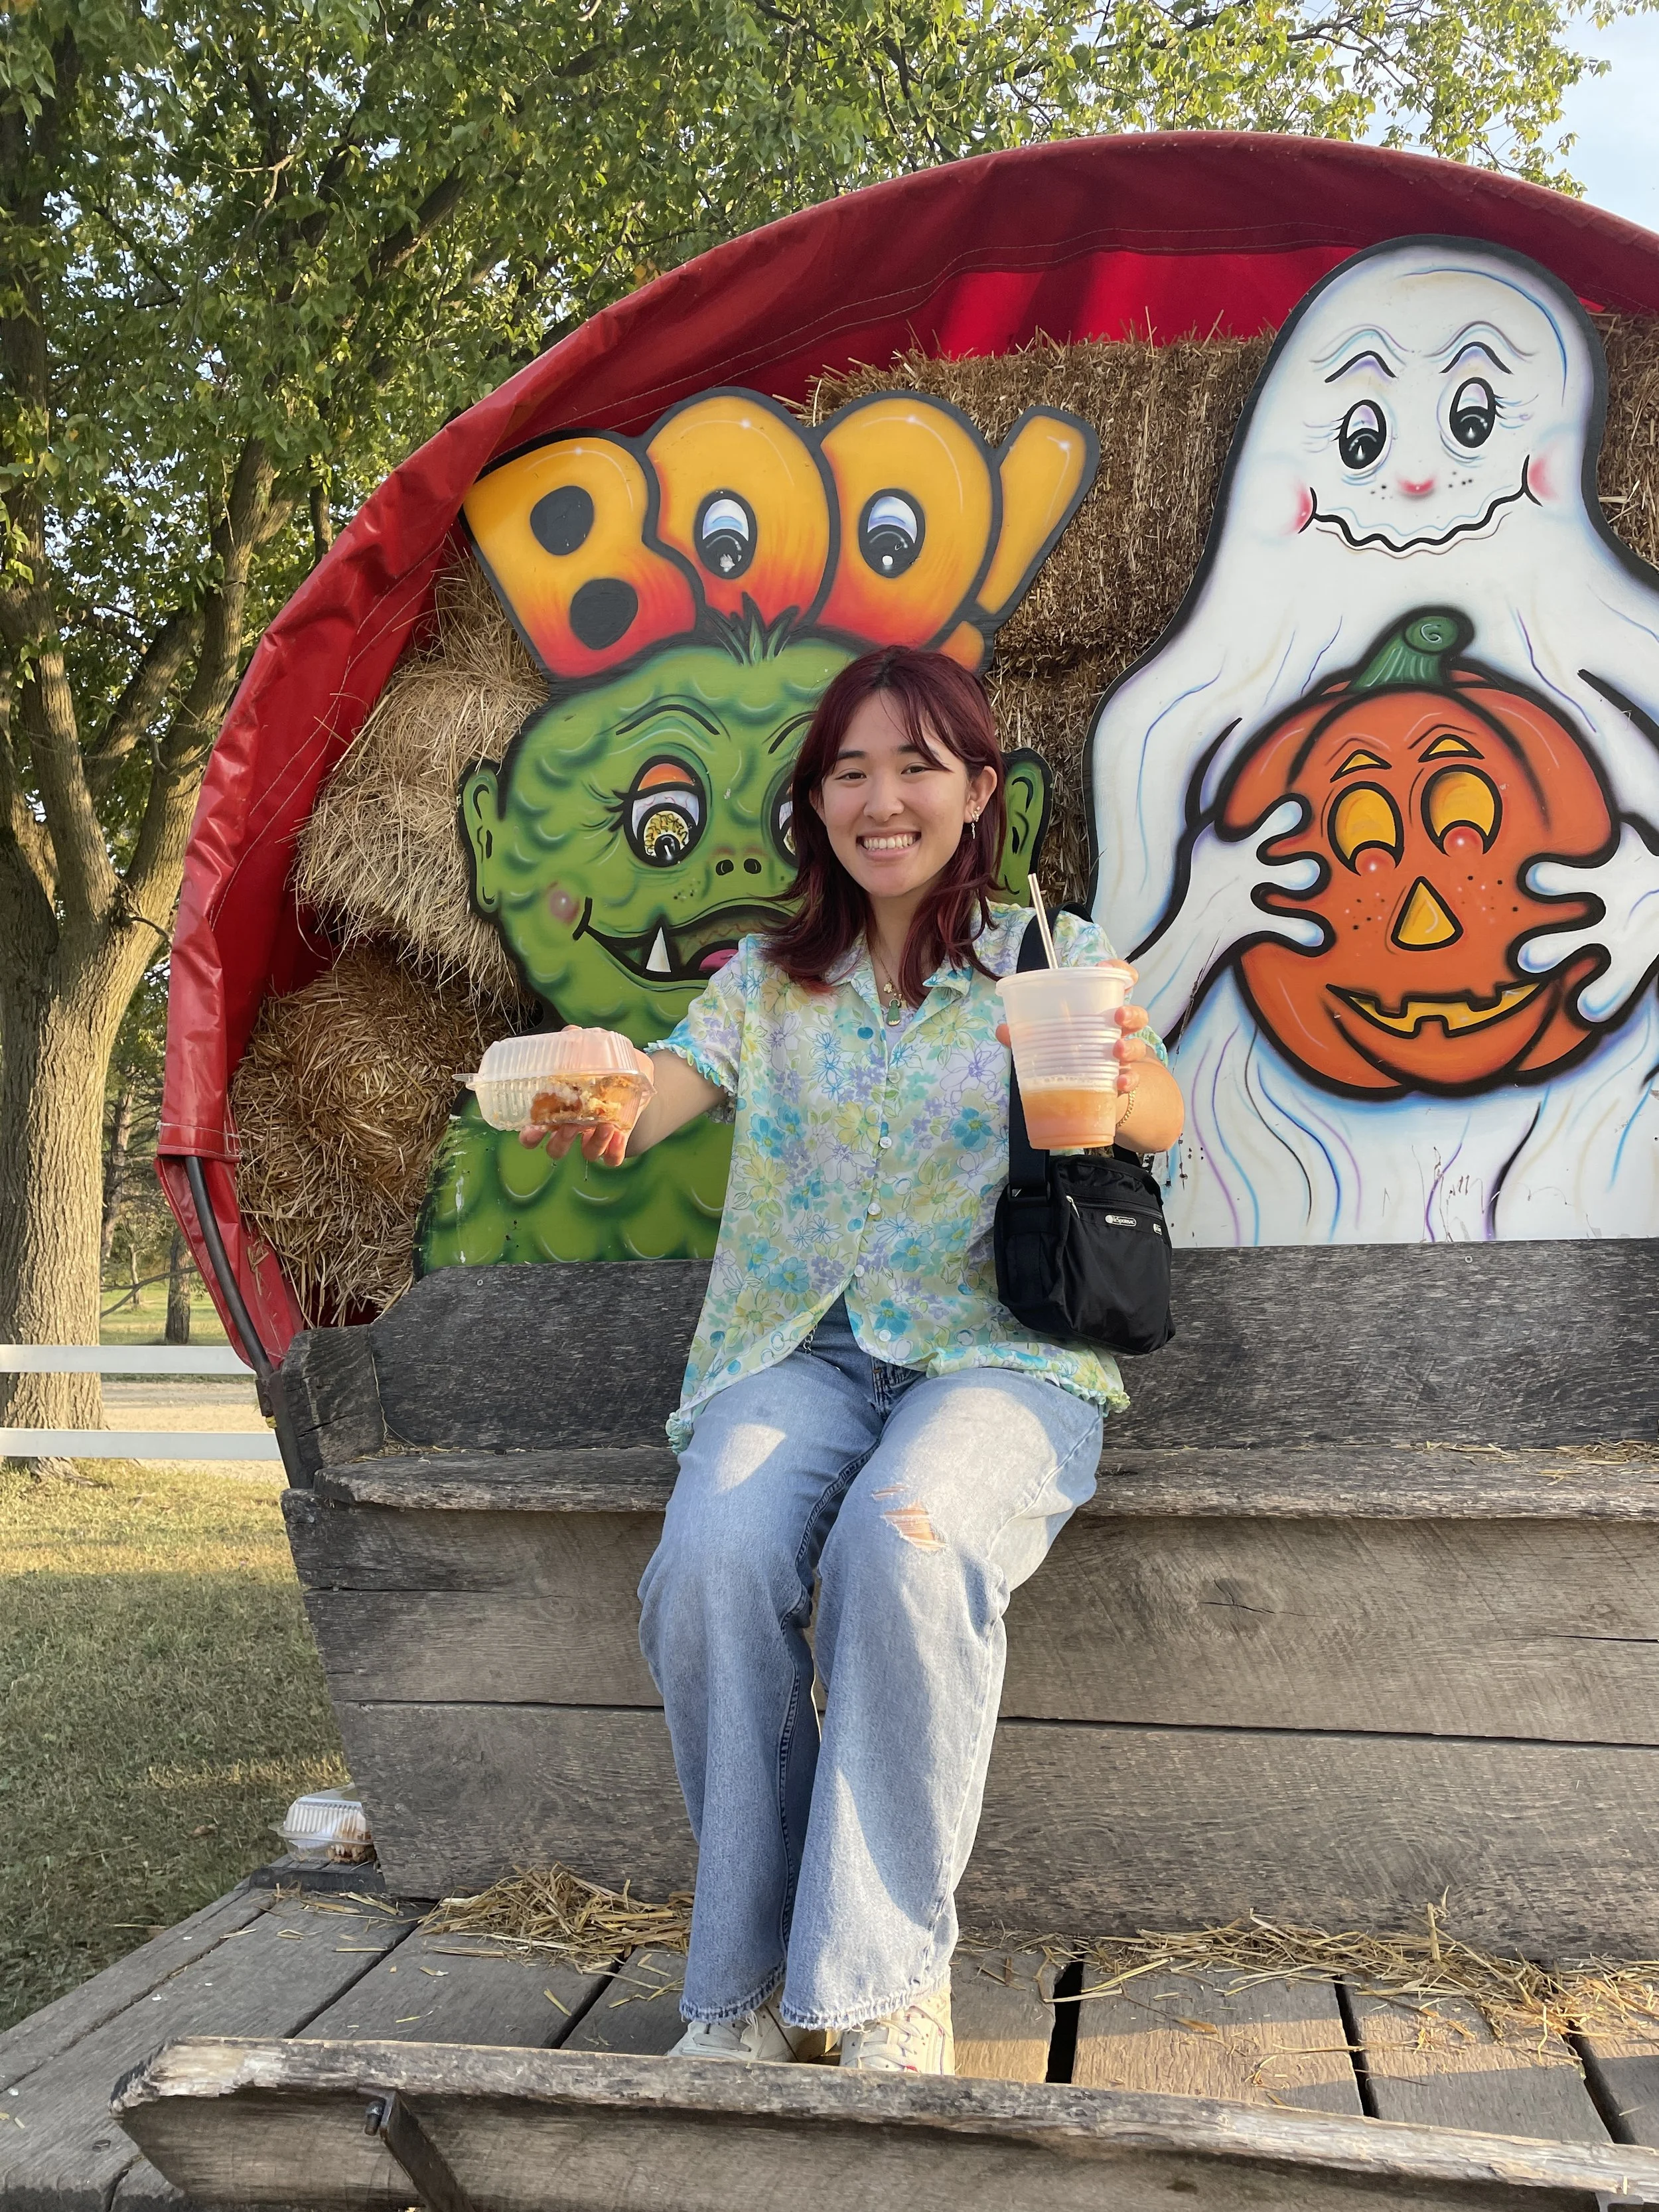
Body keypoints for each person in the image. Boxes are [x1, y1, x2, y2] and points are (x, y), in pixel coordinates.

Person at [522, 646, 1184, 2073]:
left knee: (908, 1533)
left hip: (999, 1361)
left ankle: (880, 1984)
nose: (881, 798)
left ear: (976, 792)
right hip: (797, 1355)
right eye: (848, 771)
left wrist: (1112, 1080)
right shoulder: (766, 982)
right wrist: (590, 1088)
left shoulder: (1043, 954)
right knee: (710, 1554)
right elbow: (647, 1104)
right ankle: (745, 1986)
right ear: (815, 804)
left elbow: (1161, 1114)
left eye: (916, 766)